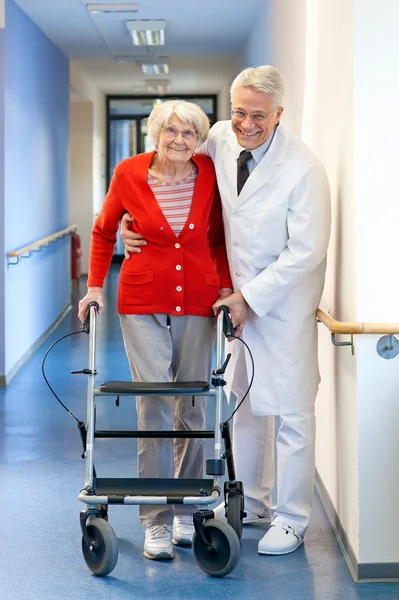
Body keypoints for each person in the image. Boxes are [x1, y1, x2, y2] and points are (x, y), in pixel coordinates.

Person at [120, 65, 331, 556]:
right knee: (243, 404)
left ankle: (293, 516)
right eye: (238, 112)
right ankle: (254, 501)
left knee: (292, 410)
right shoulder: (218, 137)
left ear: (279, 114)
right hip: (231, 304)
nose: (246, 124)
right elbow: (167, 171)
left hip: (280, 306)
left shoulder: (304, 170)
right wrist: (131, 221)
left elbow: (306, 252)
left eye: (258, 115)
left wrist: (249, 296)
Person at [78, 99, 232, 561]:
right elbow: (106, 231)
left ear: (199, 140)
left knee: (194, 403)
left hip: (199, 300)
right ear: (154, 133)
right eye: (171, 131)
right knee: (156, 402)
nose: (180, 141)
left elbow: (219, 237)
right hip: (141, 299)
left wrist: (226, 289)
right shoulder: (128, 173)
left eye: (190, 133)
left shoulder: (208, 173)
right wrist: (94, 288)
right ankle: (155, 521)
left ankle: (186, 508)